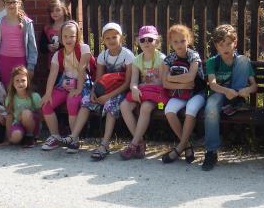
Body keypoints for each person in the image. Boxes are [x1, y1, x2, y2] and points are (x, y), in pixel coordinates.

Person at [61, 22, 133, 160]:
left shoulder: (127, 55)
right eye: (107, 38)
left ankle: (104, 145)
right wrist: (93, 92)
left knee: (110, 105)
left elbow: (127, 83)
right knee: (86, 101)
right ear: (103, 40)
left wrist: (108, 96)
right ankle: (73, 136)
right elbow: (98, 79)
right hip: (105, 90)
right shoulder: (103, 56)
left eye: (114, 37)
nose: (111, 40)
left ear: (121, 37)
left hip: (120, 91)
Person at [202, 24, 259, 171]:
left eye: (228, 43)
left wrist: (247, 89)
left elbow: (254, 86)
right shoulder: (212, 61)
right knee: (210, 109)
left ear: (235, 43)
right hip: (220, 93)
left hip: (236, 95)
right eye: (221, 45)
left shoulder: (242, 62)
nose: (225, 48)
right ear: (216, 46)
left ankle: (236, 102)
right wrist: (226, 91)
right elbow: (212, 84)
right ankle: (211, 152)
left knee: (243, 60)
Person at [40, 20, 93, 150]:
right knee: (46, 105)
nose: (68, 39)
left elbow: (82, 68)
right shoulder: (58, 54)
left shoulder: (84, 48)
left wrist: (79, 89)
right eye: (65, 36)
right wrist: (47, 94)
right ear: (60, 37)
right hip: (65, 83)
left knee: (72, 101)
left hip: (82, 82)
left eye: (72, 36)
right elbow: (53, 74)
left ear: (77, 36)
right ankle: (55, 137)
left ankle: (74, 139)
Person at [120, 25, 168, 160]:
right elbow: (133, 81)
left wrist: (145, 85)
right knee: (124, 106)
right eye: (142, 40)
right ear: (138, 42)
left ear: (157, 41)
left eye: (150, 40)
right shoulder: (137, 60)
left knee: (145, 107)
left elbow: (163, 82)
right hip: (143, 92)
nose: (146, 43)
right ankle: (140, 142)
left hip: (156, 94)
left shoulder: (161, 59)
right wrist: (135, 88)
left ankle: (133, 144)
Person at [161, 24, 206, 164]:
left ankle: (179, 147)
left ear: (188, 40)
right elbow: (165, 84)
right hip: (180, 94)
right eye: (175, 41)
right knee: (169, 110)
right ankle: (186, 145)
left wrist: (171, 78)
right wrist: (183, 84)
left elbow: (191, 77)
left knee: (191, 110)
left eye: (182, 41)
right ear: (170, 43)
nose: (179, 44)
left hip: (197, 93)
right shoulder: (169, 59)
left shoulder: (193, 56)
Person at [0, 0, 38, 88]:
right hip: (4, 61)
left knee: (20, 89)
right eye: (8, 2)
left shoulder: (27, 23)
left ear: (19, 3)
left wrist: (31, 67)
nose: (11, 5)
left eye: (14, 2)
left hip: (21, 61)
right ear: (4, 4)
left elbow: (32, 46)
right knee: (7, 89)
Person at [4, 66, 42, 147]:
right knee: (15, 138)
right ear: (13, 83)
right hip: (18, 124)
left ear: (28, 81)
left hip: (32, 126)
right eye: (17, 81)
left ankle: (29, 137)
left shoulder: (35, 96)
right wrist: (8, 137)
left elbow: (41, 116)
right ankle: (23, 138)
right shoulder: (10, 98)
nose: (20, 83)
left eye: (23, 80)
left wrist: (27, 116)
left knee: (26, 113)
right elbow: (9, 117)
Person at [39, 0, 71, 64]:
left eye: (58, 10)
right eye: (52, 11)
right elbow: (42, 46)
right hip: (53, 65)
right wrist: (48, 47)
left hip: (69, 64)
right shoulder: (47, 28)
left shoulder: (70, 27)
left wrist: (59, 47)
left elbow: (74, 45)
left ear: (64, 11)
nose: (54, 13)